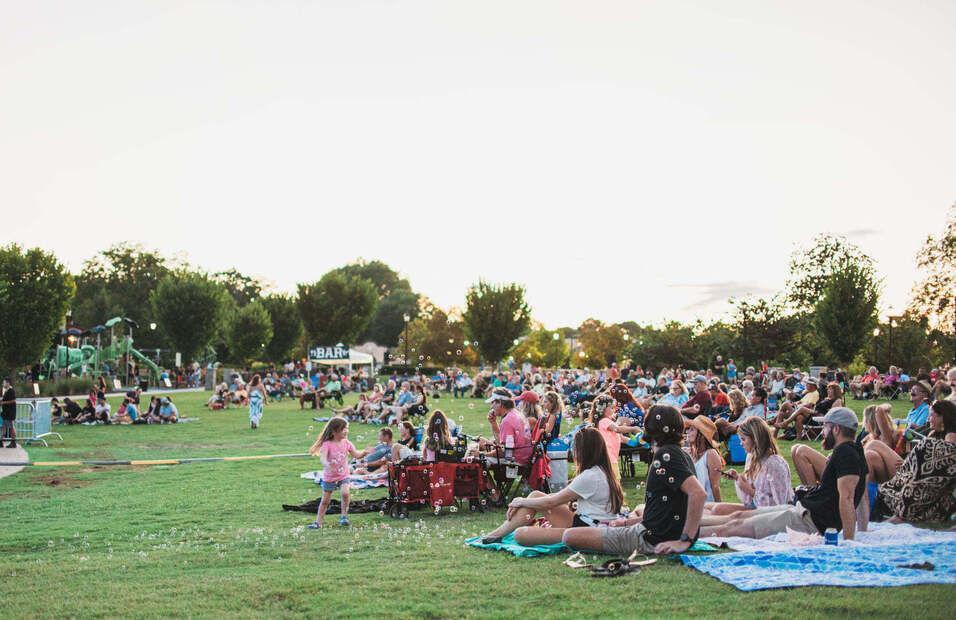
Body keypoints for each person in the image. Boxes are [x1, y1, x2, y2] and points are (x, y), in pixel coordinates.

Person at [702, 407, 868, 540]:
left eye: (825, 426)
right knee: (737, 517)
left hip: (808, 521)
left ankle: (689, 533)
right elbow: (862, 497)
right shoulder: (856, 451)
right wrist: (863, 530)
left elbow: (847, 498)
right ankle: (691, 523)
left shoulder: (845, 453)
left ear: (836, 429)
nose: (823, 432)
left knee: (733, 527)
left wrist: (848, 542)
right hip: (802, 511)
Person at [563, 404, 707, 555]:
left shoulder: (667, 455)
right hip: (658, 533)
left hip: (649, 539)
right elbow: (664, 511)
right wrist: (625, 523)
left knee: (570, 536)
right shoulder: (680, 453)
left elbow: (698, 493)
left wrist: (685, 540)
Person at [479, 427, 625, 545]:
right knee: (535, 495)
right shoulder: (601, 471)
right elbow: (558, 497)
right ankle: (496, 535)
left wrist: (520, 501)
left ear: (584, 451)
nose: (572, 452)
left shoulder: (590, 476)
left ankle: (496, 535)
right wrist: (525, 501)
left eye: (575, 448)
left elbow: (551, 502)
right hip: (589, 523)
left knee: (520, 534)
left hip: (587, 530)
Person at [872, 400, 956, 523]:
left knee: (874, 446)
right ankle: (864, 506)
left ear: (942, 417)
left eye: (931, 415)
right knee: (871, 456)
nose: (928, 419)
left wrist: (910, 462)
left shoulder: (951, 436)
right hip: (911, 474)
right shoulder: (935, 433)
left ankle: (865, 507)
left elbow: (939, 468)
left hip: (917, 481)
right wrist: (910, 461)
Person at [706, 417, 793, 515]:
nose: (741, 443)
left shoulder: (775, 464)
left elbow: (780, 505)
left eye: (743, 439)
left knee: (717, 511)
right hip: (755, 508)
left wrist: (749, 490)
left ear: (755, 439)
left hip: (771, 515)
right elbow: (748, 500)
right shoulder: (751, 457)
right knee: (709, 508)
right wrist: (738, 478)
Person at [307, 417, 362, 528]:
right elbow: (323, 458)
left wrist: (365, 452)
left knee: (345, 493)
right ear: (334, 431)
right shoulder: (327, 444)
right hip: (330, 477)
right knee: (325, 501)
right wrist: (327, 464)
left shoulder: (347, 443)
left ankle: (344, 517)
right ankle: (318, 522)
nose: (346, 431)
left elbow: (356, 455)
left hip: (343, 475)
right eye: (343, 429)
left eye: (347, 428)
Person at [591, 394, 641, 480]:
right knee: (614, 482)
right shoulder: (604, 421)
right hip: (607, 459)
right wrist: (633, 428)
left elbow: (622, 439)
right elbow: (617, 429)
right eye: (611, 408)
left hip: (611, 459)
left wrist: (634, 441)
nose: (614, 410)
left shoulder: (610, 423)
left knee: (614, 481)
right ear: (603, 409)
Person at [481, 388, 532, 465]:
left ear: (500, 403)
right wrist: (493, 423)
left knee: (477, 460)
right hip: (523, 457)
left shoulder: (507, 421)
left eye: (493, 403)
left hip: (514, 460)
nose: (491, 407)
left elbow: (503, 452)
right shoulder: (516, 413)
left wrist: (481, 454)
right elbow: (502, 443)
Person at [685, 416, 724, 502]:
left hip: (707, 504)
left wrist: (718, 507)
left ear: (701, 435)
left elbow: (715, 486)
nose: (687, 432)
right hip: (691, 503)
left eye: (692, 429)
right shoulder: (687, 453)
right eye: (688, 429)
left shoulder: (711, 454)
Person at [1, 378, 16, 448]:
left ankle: (13, 442)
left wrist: (3, 402)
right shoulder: (6, 391)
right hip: (5, 412)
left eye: (4, 383)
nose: (3, 384)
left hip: (10, 412)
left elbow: (13, 400)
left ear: (8, 383)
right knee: (3, 426)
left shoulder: (11, 391)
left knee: (11, 427)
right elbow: (6, 399)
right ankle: (1, 441)